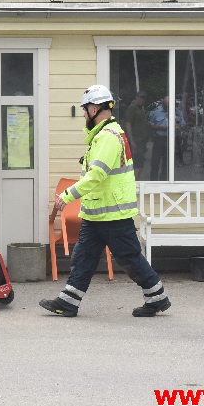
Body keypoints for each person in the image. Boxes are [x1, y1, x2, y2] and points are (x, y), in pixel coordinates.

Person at [39, 85, 171, 318]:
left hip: (113, 214)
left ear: (95, 108)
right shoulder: (103, 135)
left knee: (129, 257)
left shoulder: (108, 137)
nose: (83, 114)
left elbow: (97, 175)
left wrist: (67, 196)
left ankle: (157, 298)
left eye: (85, 109)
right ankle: (68, 302)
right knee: (83, 258)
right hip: (97, 212)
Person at [124, 91, 149, 179]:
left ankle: (136, 181)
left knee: (140, 161)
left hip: (141, 140)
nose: (142, 100)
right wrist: (132, 141)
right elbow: (128, 124)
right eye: (141, 98)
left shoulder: (140, 108)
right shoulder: (132, 108)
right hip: (135, 140)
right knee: (137, 162)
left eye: (144, 98)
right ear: (136, 98)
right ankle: (134, 182)